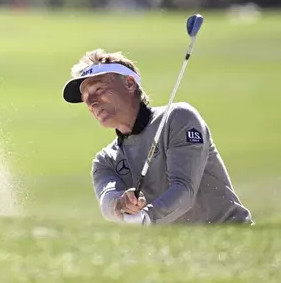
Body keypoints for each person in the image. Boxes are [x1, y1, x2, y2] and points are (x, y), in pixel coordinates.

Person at [61, 48, 253, 226]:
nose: (92, 102)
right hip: (182, 254)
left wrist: (146, 218)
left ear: (129, 84)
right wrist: (121, 204)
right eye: (86, 99)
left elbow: (184, 192)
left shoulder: (178, 118)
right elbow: (108, 203)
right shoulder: (105, 161)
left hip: (235, 239)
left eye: (99, 89)